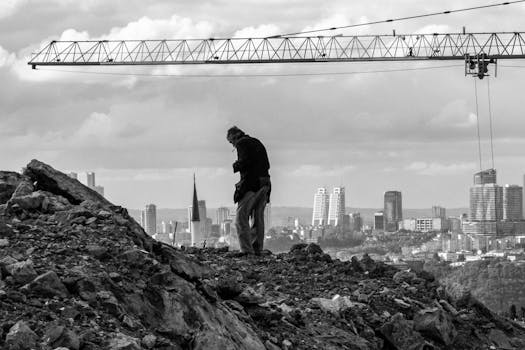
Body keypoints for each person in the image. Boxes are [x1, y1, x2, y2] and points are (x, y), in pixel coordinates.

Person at [227, 126, 271, 255]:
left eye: (231, 142)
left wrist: (236, 165)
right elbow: (266, 164)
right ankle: (257, 248)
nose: (233, 145)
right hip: (265, 183)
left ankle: (246, 250)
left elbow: (245, 162)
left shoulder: (242, 143)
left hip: (251, 185)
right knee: (258, 217)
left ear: (235, 137)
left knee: (241, 218)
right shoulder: (256, 142)